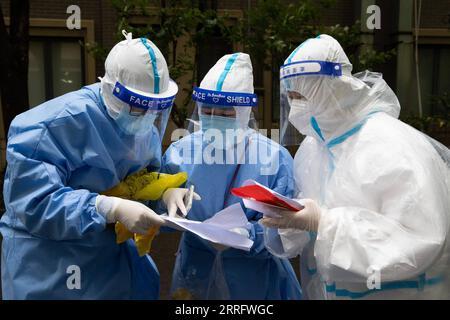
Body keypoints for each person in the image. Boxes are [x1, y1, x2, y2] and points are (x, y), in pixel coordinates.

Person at [0, 31, 192, 299]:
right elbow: (33, 204)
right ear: (110, 90)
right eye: (139, 106)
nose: (147, 116)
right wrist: (107, 207)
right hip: (51, 271)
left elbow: (139, 184)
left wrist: (164, 194)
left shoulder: (143, 130)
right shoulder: (50, 127)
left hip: (113, 269)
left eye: (155, 107)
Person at [261, 34, 450, 299]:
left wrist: (325, 223)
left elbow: (421, 240)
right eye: (290, 97)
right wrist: (293, 224)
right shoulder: (312, 149)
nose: (295, 108)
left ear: (333, 87)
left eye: (301, 96)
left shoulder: (394, 145)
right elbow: (313, 228)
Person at [161, 52, 302, 300]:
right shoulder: (180, 153)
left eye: (226, 114)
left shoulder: (272, 159)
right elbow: (155, 217)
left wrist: (251, 235)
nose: (215, 118)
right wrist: (163, 195)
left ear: (244, 111)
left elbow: (288, 231)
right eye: (208, 110)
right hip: (194, 273)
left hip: (254, 280)